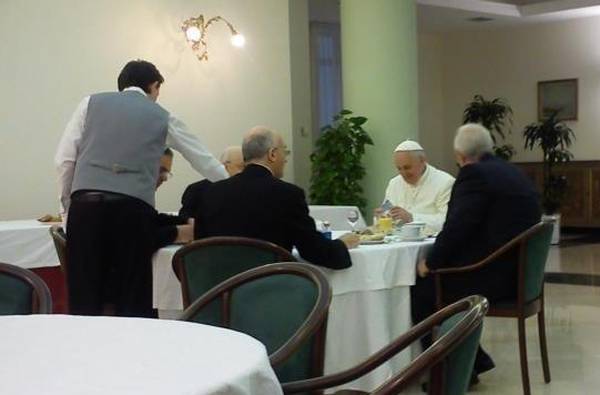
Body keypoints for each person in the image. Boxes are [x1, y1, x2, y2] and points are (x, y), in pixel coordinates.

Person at [55, 60, 228, 317]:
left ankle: (85, 351)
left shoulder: (90, 103)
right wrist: (232, 185)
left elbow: (64, 160)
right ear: (154, 85)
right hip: (131, 212)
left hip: (86, 208)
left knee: (85, 302)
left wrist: (67, 210)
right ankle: (134, 353)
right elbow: (203, 160)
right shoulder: (163, 116)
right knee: (133, 301)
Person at [410, 124, 541, 382]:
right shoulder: (514, 173)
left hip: (492, 277)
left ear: (460, 156)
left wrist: (431, 263)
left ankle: (454, 374)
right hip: (521, 276)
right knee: (432, 288)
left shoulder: (473, 175)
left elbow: (458, 227)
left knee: (420, 292)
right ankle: (474, 361)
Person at [191, 126, 360, 269]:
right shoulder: (288, 195)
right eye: (284, 152)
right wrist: (342, 246)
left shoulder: (211, 193)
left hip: (218, 297)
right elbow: (314, 252)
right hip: (271, 296)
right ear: (272, 154)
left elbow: (200, 248)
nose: (285, 159)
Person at [377, 140, 454, 234]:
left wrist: (412, 218)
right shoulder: (394, 183)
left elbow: (448, 221)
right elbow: (386, 209)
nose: (403, 173)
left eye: (407, 167)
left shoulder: (445, 182)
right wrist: (382, 215)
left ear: (422, 161)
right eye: (399, 168)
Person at [179, 146, 244, 219]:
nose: (244, 171)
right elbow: (185, 221)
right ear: (224, 166)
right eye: (241, 167)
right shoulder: (196, 190)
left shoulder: (249, 190)